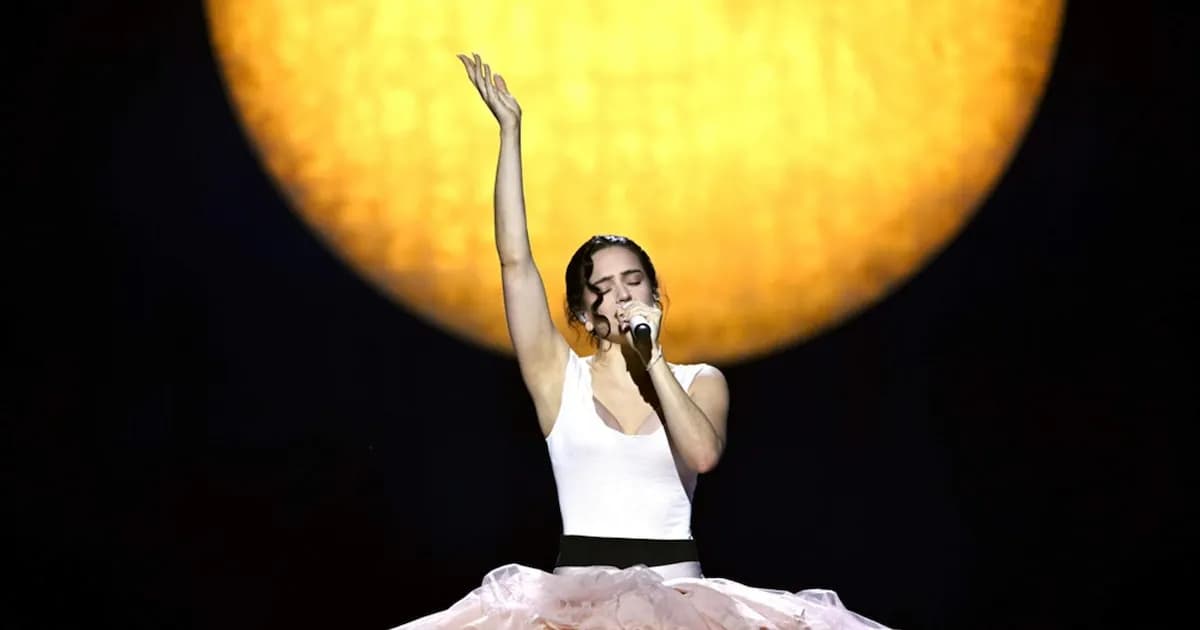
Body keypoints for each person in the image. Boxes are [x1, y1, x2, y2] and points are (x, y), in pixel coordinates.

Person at [392, 52, 893, 630]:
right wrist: (511, 132)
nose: (622, 295)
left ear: (656, 292)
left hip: (682, 599)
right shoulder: (561, 378)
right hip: (572, 604)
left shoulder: (700, 380)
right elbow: (515, 262)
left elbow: (704, 454)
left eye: (634, 280)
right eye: (602, 288)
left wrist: (651, 360)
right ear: (583, 311)